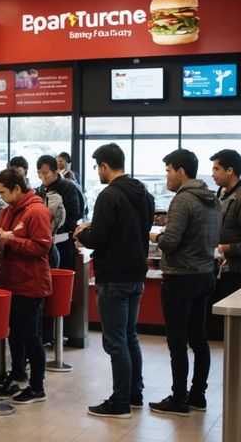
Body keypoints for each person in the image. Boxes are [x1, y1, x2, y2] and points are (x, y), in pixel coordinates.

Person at [74, 143, 154, 418]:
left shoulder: (109, 195)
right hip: (136, 275)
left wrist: (81, 234)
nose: (98, 172)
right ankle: (134, 394)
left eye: (98, 167)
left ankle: (120, 402)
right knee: (130, 337)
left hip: (114, 278)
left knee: (116, 342)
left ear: (105, 166)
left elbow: (99, 238)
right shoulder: (144, 193)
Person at [148, 149, 221, 416]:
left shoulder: (182, 200)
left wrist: (155, 235)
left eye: (167, 170)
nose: (166, 176)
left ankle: (178, 399)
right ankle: (198, 395)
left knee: (177, 342)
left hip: (180, 279)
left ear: (180, 172)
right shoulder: (212, 198)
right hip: (205, 275)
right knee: (199, 339)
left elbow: (170, 242)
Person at [0, 168, 52, 404]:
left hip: (30, 284)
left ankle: (37, 387)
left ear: (17, 189)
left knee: (31, 336)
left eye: (4, 192)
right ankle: (18, 372)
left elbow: (42, 247)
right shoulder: (8, 211)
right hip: (11, 282)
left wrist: (12, 240)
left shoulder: (37, 211)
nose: (1, 197)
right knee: (14, 333)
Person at [208, 149, 241, 340]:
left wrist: (222, 248)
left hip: (236, 274)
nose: (212, 174)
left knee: (231, 334)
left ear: (229, 170)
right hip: (218, 271)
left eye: (216, 169)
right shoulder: (221, 194)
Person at [36, 155, 83, 271]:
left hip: (64, 242)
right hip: (45, 243)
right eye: (40, 173)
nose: (42, 177)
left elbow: (75, 215)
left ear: (55, 171)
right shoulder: (40, 190)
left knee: (62, 279)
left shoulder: (69, 187)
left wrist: (57, 230)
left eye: (46, 173)